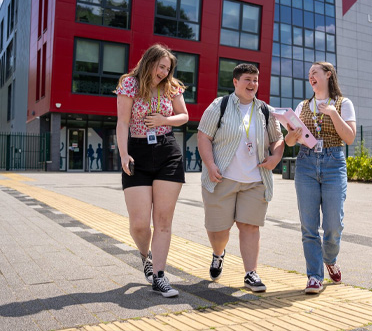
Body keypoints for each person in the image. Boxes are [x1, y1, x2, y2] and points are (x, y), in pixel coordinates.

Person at [197, 63, 284, 292]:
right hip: (221, 178)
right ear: (235, 82)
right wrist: (210, 164)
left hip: (255, 181)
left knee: (250, 226)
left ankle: (250, 273)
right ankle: (218, 253)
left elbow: (277, 138)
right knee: (219, 232)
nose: (252, 84)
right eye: (247, 79)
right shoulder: (220, 105)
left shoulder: (265, 109)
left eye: (255, 80)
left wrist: (275, 157)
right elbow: (204, 136)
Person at [115, 44, 188, 298]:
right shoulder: (129, 85)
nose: (164, 72)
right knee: (139, 224)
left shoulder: (172, 87)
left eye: (168, 69)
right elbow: (122, 122)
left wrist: (164, 121)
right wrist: (124, 154)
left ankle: (159, 276)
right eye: (161, 67)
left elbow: (184, 116)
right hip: (137, 152)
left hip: (167, 151)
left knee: (163, 221)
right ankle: (145, 256)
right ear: (149, 62)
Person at [284, 61, 356, 294]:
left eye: (315, 72)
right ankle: (314, 276)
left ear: (328, 75)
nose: (311, 77)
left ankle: (330, 259)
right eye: (309, 74)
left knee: (334, 224)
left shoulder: (343, 104)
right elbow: (289, 142)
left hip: (334, 163)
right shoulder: (303, 105)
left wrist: (333, 114)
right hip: (305, 163)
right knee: (309, 225)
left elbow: (350, 138)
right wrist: (292, 136)